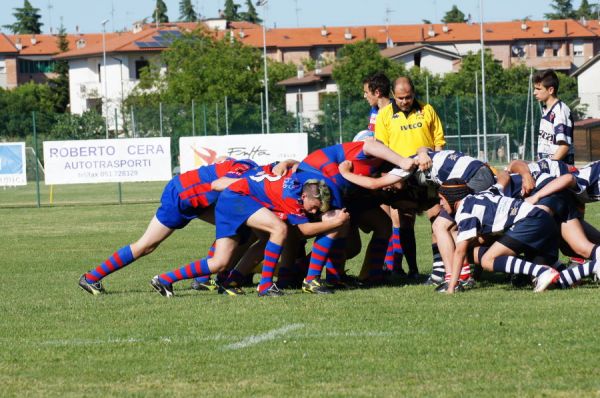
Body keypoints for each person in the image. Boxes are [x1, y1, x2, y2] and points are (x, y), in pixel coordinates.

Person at [150, 168, 349, 297]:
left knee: (220, 261)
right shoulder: (291, 196)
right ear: (304, 195)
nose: (313, 212)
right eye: (313, 207)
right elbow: (301, 232)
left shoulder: (301, 186)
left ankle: (166, 279)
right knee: (279, 229)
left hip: (236, 198)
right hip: (236, 198)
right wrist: (335, 223)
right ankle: (265, 286)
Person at [78, 157, 262, 295]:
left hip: (195, 198)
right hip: (182, 195)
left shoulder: (253, 169)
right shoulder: (252, 173)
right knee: (146, 245)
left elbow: (224, 161)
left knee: (238, 228)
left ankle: (208, 280)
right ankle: (91, 278)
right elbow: (223, 177)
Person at [374, 76, 445, 279]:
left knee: (436, 217)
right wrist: (391, 175)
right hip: (402, 177)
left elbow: (438, 142)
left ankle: (439, 268)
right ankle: (413, 270)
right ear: (393, 96)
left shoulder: (427, 110)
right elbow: (382, 148)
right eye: (400, 98)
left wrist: (437, 169)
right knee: (405, 223)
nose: (405, 101)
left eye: (408, 97)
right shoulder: (385, 115)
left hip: (428, 174)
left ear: (414, 93)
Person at [439, 179, 561, 294]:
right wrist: (506, 171)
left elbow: (460, 252)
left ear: (452, 198)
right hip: (546, 221)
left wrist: (451, 288)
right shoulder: (485, 193)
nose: (440, 204)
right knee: (549, 283)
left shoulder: (465, 212)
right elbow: (503, 179)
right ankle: (569, 274)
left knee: (487, 260)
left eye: (441, 199)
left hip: (530, 222)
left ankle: (541, 271)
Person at [533, 69, 575, 165]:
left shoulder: (560, 111)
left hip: (559, 171)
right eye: (535, 89)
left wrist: (549, 167)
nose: (534, 93)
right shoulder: (546, 110)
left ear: (551, 90)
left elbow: (564, 147)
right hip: (548, 167)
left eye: (538, 89)